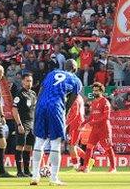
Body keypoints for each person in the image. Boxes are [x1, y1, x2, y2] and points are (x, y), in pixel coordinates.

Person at [31, 58, 83, 186]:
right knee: (55, 142)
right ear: (75, 69)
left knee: (39, 141)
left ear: (63, 66)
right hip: (56, 107)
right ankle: (54, 178)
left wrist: (37, 108)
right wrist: (64, 114)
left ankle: (35, 176)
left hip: (41, 105)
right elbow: (71, 100)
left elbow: (41, 90)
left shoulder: (51, 73)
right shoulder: (76, 80)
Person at [78, 82, 116, 173]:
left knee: (108, 148)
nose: (95, 92)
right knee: (89, 147)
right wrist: (84, 122)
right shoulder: (94, 102)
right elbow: (92, 116)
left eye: (96, 90)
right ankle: (85, 167)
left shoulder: (105, 102)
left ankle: (113, 167)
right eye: (94, 90)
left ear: (101, 91)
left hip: (104, 129)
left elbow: (106, 117)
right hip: (95, 129)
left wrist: (93, 122)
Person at [12, 72, 38, 177]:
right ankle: (19, 171)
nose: (29, 83)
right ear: (22, 81)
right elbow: (14, 109)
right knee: (20, 146)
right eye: (27, 81)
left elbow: (34, 110)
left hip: (32, 124)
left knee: (28, 147)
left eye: (30, 81)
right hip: (22, 123)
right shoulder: (20, 94)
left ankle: (26, 170)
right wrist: (19, 124)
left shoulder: (33, 94)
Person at [65, 86, 86, 174]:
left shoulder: (74, 99)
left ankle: (76, 166)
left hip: (75, 124)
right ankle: (88, 159)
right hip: (77, 123)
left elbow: (74, 113)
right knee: (72, 145)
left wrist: (66, 124)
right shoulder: (79, 97)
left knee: (71, 146)